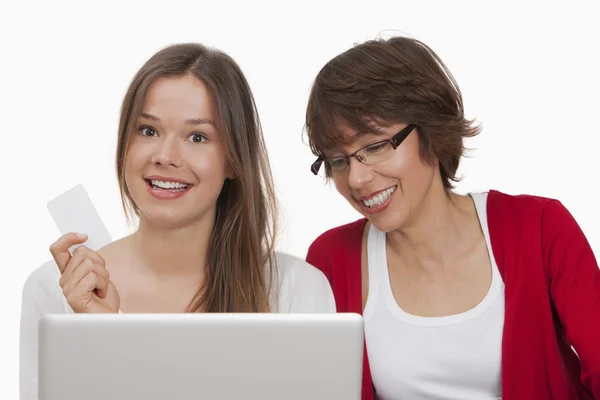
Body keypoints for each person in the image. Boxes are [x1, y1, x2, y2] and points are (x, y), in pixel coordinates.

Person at [20, 43, 335, 400]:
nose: (166, 157)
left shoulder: (296, 292)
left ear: (234, 160)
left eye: (197, 137)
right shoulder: (56, 290)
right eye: (148, 131)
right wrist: (96, 335)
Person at [304, 36, 600, 400]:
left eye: (376, 146)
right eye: (338, 160)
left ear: (430, 132)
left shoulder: (539, 228)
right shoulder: (330, 261)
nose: (356, 179)